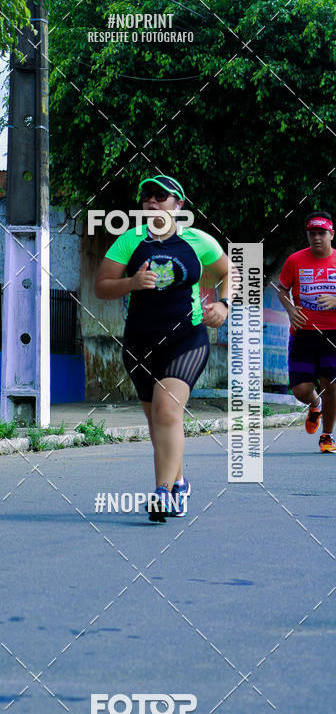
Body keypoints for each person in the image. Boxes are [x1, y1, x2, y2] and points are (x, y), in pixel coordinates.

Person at [95, 175, 232, 522]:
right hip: (139, 343)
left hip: (186, 339)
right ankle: (180, 482)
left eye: (161, 196)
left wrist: (225, 304)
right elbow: (102, 288)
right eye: (146, 196)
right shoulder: (129, 241)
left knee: (168, 412)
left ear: (178, 205)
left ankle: (163, 492)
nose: (152, 201)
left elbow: (230, 272)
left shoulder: (198, 241)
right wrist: (132, 282)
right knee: (159, 422)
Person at [276, 212, 336, 453]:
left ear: (332, 234)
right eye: (312, 233)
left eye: (322, 233)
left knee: (330, 385)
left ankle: (327, 436)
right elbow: (281, 289)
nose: (317, 238)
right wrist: (290, 310)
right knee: (301, 390)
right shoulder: (295, 261)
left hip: (333, 334)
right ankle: (314, 404)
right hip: (303, 333)